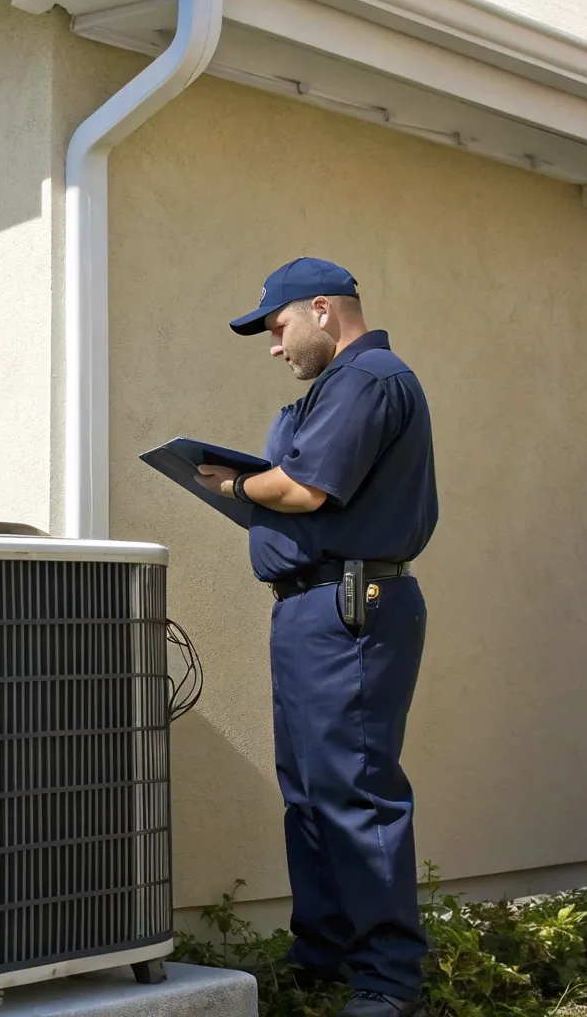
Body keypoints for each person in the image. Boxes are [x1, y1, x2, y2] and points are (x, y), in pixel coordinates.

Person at [194, 257, 439, 1017]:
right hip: (314, 608)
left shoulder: (368, 379)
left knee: (355, 793)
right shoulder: (333, 390)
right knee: (309, 790)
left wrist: (236, 484)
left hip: (350, 606)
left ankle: (387, 983)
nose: (274, 346)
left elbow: (303, 488)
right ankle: (328, 957)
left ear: (324, 310)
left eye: (277, 327)